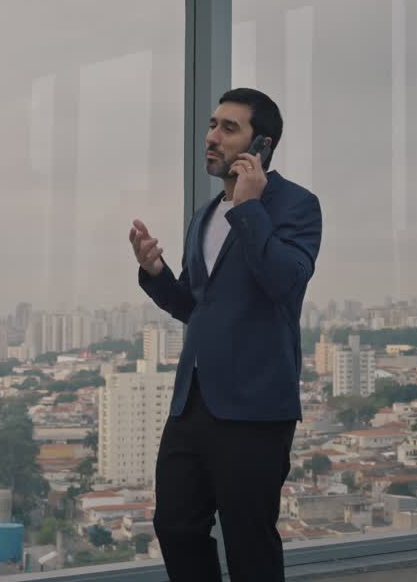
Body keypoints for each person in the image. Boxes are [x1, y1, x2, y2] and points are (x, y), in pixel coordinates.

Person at [129, 87, 322, 581]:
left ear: (263, 146)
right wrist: (155, 273)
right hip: (192, 403)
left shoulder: (297, 206)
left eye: (229, 128)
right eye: (213, 125)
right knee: (175, 526)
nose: (212, 137)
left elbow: (283, 282)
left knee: (248, 542)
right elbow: (200, 310)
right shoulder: (204, 215)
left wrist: (249, 206)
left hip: (256, 408)